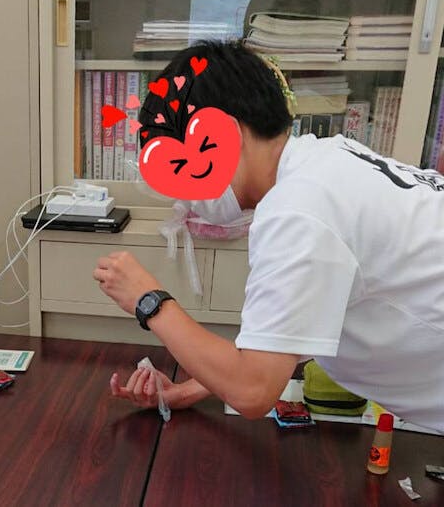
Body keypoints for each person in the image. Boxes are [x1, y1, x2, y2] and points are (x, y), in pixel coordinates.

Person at [95, 40, 444, 433]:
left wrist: (149, 301)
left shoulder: (298, 208)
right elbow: (288, 335)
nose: (185, 198)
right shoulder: (330, 160)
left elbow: (252, 391)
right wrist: (192, 389)